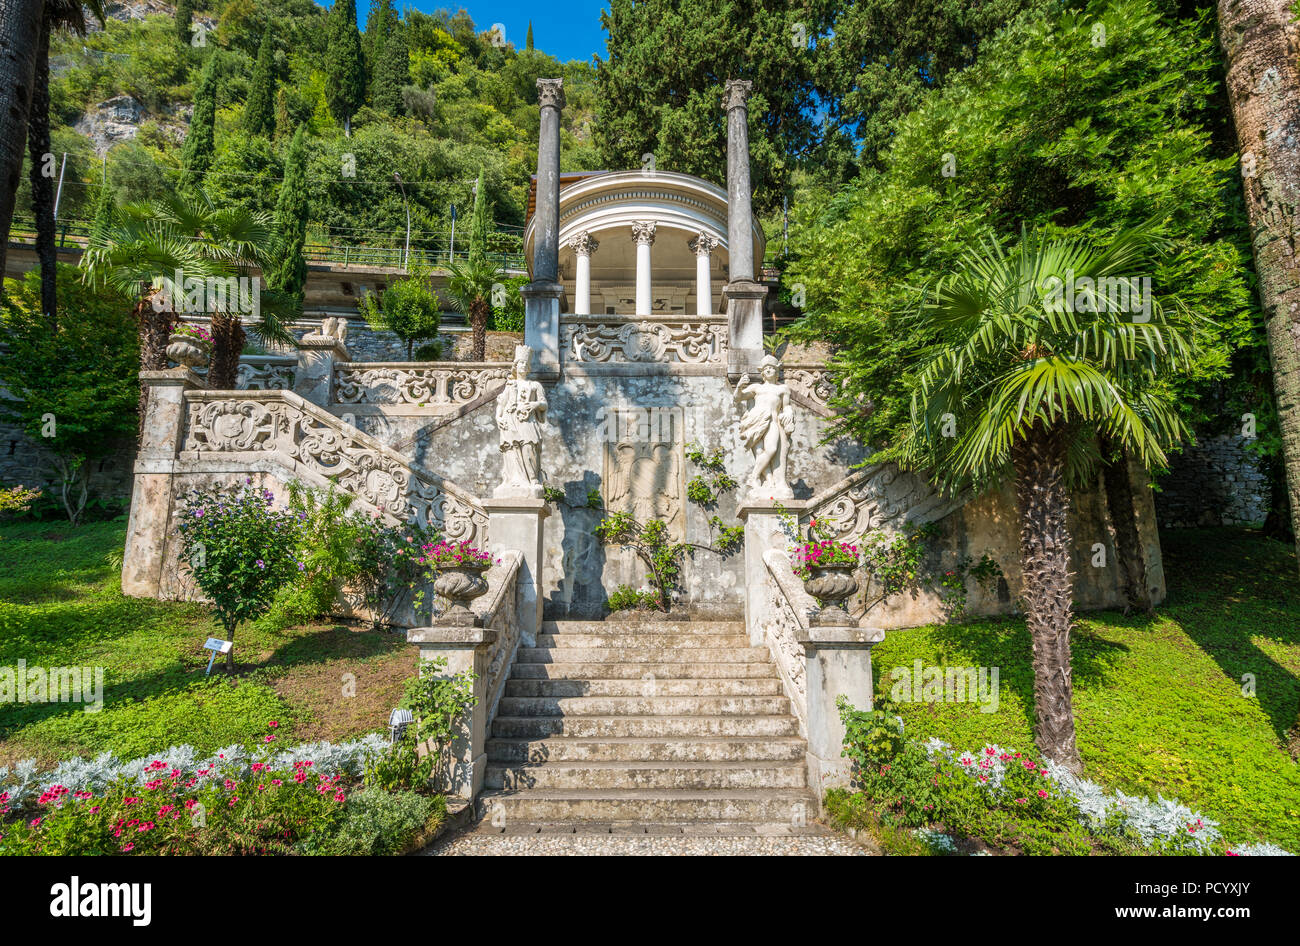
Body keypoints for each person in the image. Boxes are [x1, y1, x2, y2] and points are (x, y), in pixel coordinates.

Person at [733, 354, 794, 499]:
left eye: (771, 368)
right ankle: (769, 482)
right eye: (766, 368)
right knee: (760, 452)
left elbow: (787, 407)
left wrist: (789, 416)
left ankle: (753, 477)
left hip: (772, 421)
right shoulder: (756, 387)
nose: (768, 370)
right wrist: (739, 386)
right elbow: (737, 398)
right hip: (754, 422)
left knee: (772, 449)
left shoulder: (783, 389)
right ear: (762, 373)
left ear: (776, 371)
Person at [495, 345, 547, 496]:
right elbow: (502, 404)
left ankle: (532, 479)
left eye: (525, 363)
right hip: (510, 420)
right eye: (520, 363)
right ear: (515, 366)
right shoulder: (510, 385)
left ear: (528, 367)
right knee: (511, 449)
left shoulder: (534, 385)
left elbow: (544, 404)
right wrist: (498, 418)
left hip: (527, 421)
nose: (522, 366)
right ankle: (513, 480)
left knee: (530, 446)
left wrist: (533, 404)